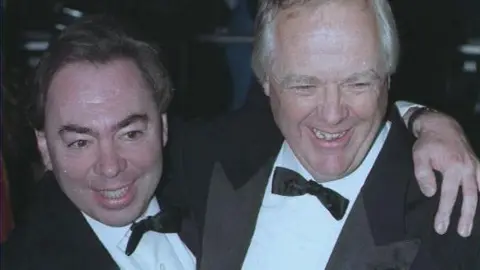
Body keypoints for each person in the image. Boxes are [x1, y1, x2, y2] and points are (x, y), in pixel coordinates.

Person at [163, 0, 480, 269]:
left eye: (358, 83)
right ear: (266, 82)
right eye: (304, 86)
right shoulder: (203, 159)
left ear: (387, 77)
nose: (332, 115)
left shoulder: (451, 215)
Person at [2, 15, 196, 270]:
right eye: (80, 142)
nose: (110, 167)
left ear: (163, 128)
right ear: (45, 148)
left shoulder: (216, 193)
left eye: (130, 134)